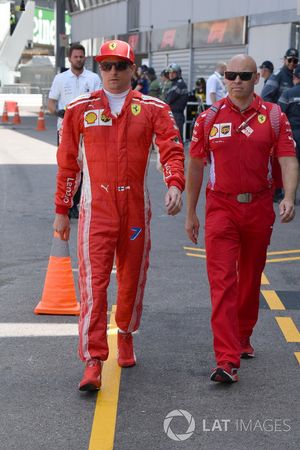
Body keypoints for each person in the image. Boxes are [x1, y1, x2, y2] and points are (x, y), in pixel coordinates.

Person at [53, 39, 185, 392]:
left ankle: (125, 333)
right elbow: (68, 165)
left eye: (120, 66)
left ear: (132, 70)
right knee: (94, 287)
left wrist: (174, 184)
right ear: (100, 69)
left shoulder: (154, 108)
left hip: (135, 213)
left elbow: (171, 149)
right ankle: (93, 359)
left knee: (130, 280)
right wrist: (61, 211)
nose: (113, 72)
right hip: (96, 213)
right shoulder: (79, 109)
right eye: (106, 66)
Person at [185, 54, 298, 384]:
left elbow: (288, 159)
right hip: (220, 208)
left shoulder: (274, 117)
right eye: (230, 75)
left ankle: (243, 336)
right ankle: (226, 358)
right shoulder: (208, 118)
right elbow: (195, 167)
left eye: (244, 76)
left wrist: (288, 196)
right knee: (222, 283)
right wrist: (191, 213)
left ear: (256, 79)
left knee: (250, 279)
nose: (236, 81)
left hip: (259, 208)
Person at [48, 43, 101, 219]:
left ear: (85, 58)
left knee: (86, 169)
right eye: (75, 56)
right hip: (65, 131)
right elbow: (51, 103)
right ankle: (67, 204)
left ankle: (79, 204)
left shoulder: (93, 78)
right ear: (69, 59)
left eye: (81, 56)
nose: (78, 59)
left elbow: (101, 101)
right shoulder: (60, 79)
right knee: (67, 168)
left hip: (89, 131)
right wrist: (58, 112)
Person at [262, 48, 299, 202]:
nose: (292, 63)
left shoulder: (295, 75)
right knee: (276, 157)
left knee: (289, 159)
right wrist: (275, 117)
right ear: (284, 60)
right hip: (278, 122)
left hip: (290, 124)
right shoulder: (278, 76)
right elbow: (265, 97)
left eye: (295, 60)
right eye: (289, 60)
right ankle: (276, 190)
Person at [278, 63, 300, 162]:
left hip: (292, 134)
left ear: (295, 77)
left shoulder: (287, 94)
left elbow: (279, 114)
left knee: (292, 163)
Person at [165, 63, 189, 142]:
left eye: (173, 73)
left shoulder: (179, 84)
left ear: (178, 73)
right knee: (172, 138)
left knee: (177, 138)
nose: (170, 75)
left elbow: (168, 99)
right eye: (169, 73)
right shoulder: (174, 84)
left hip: (176, 115)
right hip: (173, 114)